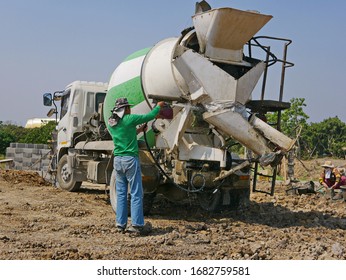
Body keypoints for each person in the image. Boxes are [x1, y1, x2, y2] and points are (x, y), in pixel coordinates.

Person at [107, 97, 165, 235]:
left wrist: (139, 131)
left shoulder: (112, 123)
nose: (130, 109)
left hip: (118, 160)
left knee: (121, 193)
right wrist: (159, 106)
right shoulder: (129, 119)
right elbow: (150, 116)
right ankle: (137, 225)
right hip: (130, 160)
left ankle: (120, 224)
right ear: (125, 109)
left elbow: (125, 133)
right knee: (136, 193)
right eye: (128, 107)